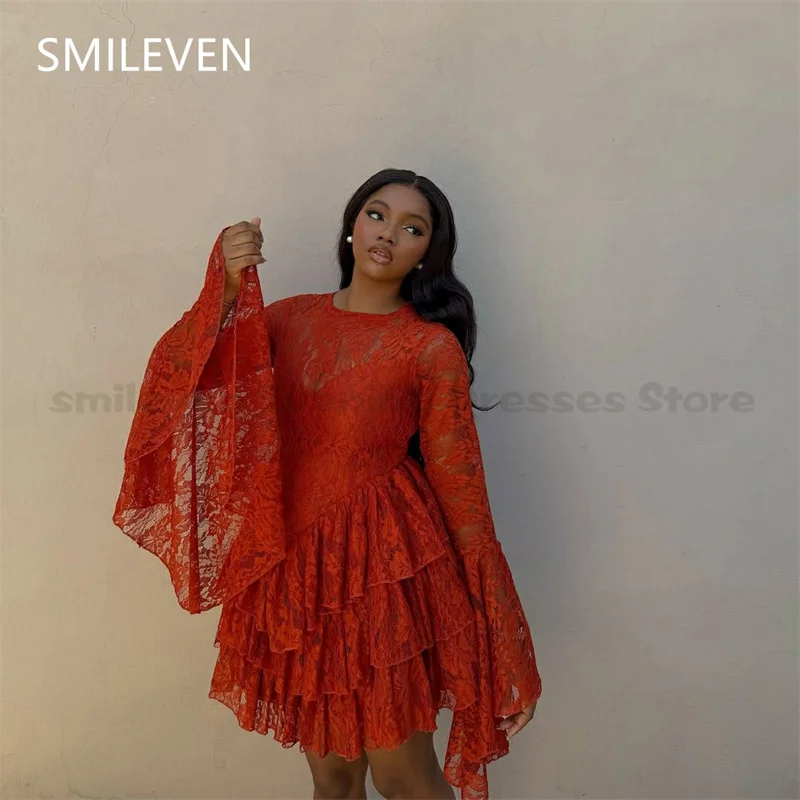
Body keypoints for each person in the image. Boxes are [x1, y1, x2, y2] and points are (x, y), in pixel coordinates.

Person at [113, 168, 542, 800]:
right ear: (351, 226)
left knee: (403, 778)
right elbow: (184, 379)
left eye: (413, 228)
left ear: (429, 253)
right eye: (377, 214)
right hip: (296, 570)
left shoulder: (429, 349)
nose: (388, 233)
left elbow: (463, 492)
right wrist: (225, 286)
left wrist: (503, 639)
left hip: (385, 572)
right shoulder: (288, 320)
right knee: (333, 778)